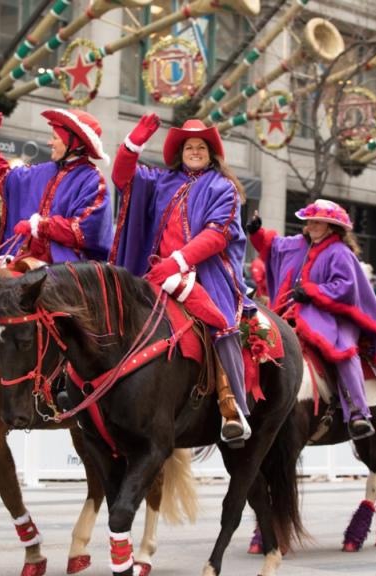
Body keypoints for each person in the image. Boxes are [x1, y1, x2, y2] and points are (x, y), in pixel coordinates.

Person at [111, 115, 255, 443]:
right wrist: (133, 142)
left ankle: (232, 407)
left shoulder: (223, 186)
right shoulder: (161, 180)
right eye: (189, 146)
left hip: (202, 274)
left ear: (211, 152)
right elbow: (123, 178)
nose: (194, 151)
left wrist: (177, 261)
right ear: (180, 151)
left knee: (219, 324)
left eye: (200, 147)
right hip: (154, 273)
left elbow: (217, 235)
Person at [247, 200, 376, 440]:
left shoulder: (341, 252)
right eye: (310, 221)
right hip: (291, 312)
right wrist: (256, 232)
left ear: (332, 227)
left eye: (317, 222)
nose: (311, 225)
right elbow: (272, 249)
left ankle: (358, 413)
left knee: (341, 348)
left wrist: (312, 291)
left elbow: (345, 288)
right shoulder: (298, 243)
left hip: (334, 315)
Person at [0, 109, 112, 262]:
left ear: (73, 143)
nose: (49, 142)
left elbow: (87, 229)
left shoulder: (93, 179)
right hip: (24, 259)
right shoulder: (41, 170)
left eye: (55, 137)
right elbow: (4, 180)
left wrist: (40, 227)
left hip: (65, 271)